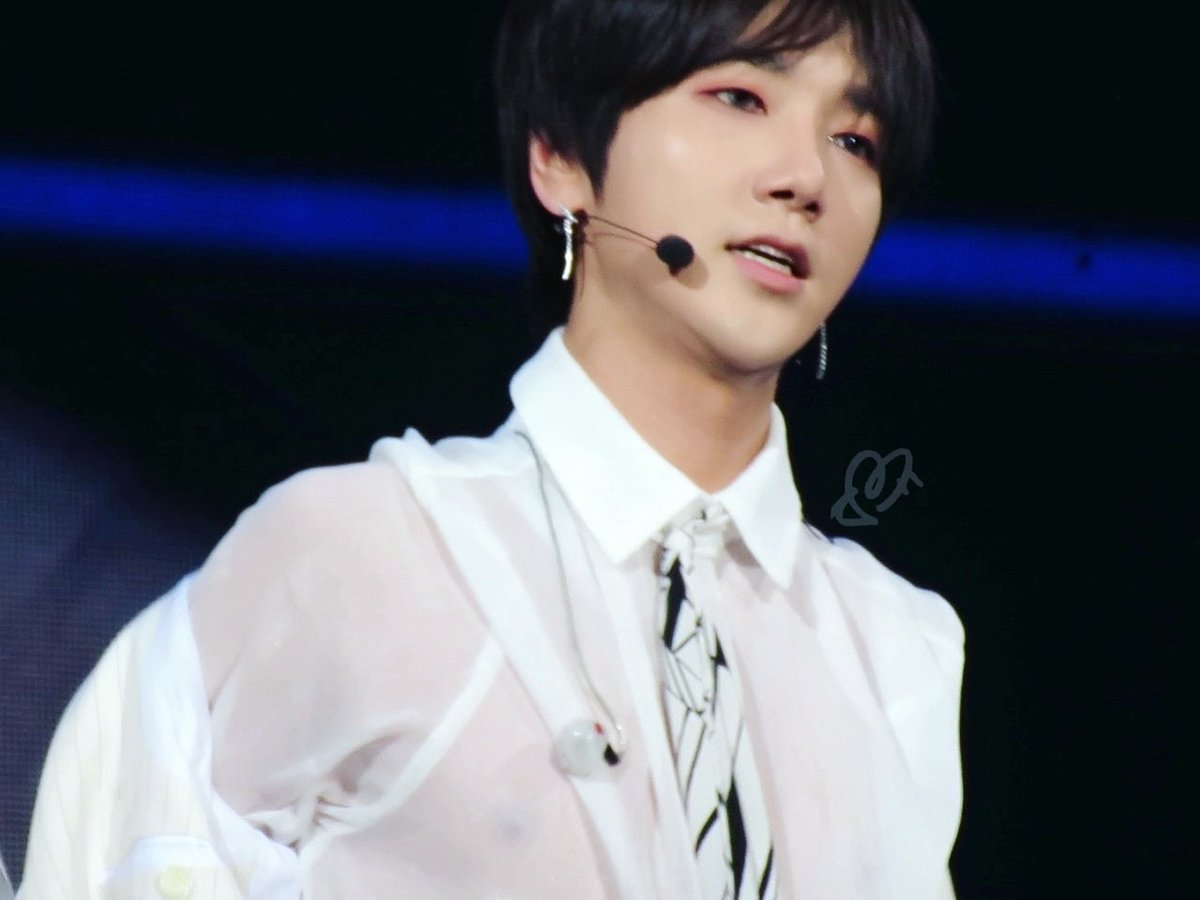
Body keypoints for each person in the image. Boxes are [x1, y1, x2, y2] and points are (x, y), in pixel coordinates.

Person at [17, 0, 964, 896]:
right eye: (741, 98)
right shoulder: (363, 549)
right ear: (561, 158)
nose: (805, 178)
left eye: (856, 141)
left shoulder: (893, 650)